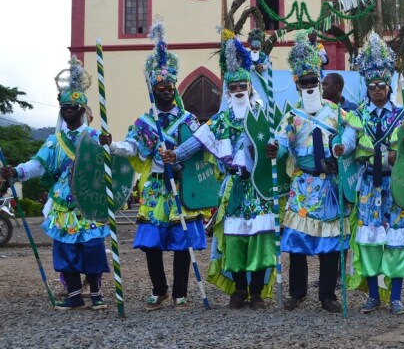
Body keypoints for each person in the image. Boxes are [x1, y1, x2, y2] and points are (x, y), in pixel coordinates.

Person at [162, 30, 275, 310]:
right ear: (228, 92)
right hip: (233, 188)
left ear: (250, 88)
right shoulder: (221, 120)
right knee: (234, 239)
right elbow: (198, 141)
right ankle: (239, 290)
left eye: (242, 87)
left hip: (259, 189)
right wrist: (175, 153)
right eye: (233, 88)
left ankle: (257, 292)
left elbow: (278, 143)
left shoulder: (263, 116)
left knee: (260, 238)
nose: (238, 92)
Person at [101, 22, 206, 311]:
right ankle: (159, 290)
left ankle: (181, 293)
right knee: (151, 241)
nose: (165, 91)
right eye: (159, 88)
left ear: (175, 87)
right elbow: (131, 148)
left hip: (182, 184)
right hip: (157, 185)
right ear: (153, 90)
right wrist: (111, 144)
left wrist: (180, 157)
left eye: (169, 87)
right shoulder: (144, 123)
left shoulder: (188, 120)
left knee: (182, 240)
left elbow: (199, 145)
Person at [1, 57, 110, 310]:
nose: (69, 109)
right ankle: (73, 295)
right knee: (65, 248)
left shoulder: (96, 137)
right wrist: (16, 171)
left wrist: (110, 147)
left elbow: (111, 165)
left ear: (83, 110)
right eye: (65, 106)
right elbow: (37, 165)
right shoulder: (54, 141)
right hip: (63, 203)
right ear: (61, 110)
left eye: (74, 105)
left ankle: (96, 293)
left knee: (93, 246)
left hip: (89, 201)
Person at [265, 30, 346, 313]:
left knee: (329, 244)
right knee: (297, 244)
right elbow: (281, 142)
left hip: (328, 185)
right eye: (305, 83)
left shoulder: (337, 114)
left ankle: (328, 296)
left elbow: (351, 139)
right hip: (302, 184)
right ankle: (297, 293)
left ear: (321, 84)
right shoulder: (291, 116)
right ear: (298, 85)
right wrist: (275, 147)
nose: (310, 86)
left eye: (315, 81)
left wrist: (343, 151)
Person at [335, 33, 404, 315]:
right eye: (373, 86)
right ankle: (372, 296)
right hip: (369, 185)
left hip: (395, 185)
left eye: (382, 85)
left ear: (389, 86)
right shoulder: (358, 116)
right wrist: (341, 148)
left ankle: (395, 297)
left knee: (396, 241)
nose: (378, 90)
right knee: (369, 242)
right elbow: (347, 140)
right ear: (367, 88)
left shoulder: (402, 115)